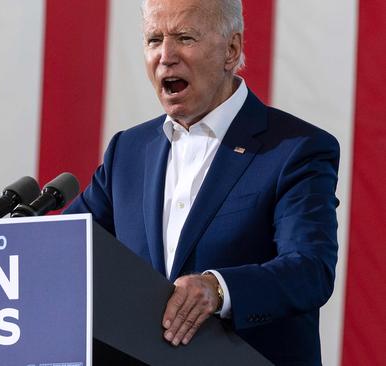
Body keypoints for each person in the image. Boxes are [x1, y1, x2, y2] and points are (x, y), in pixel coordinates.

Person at [64, 0, 340, 364]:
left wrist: (218, 289)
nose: (166, 56)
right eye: (153, 40)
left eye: (184, 37)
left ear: (231, 50)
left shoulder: (294, 149)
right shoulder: (128, 152)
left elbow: (309, 269)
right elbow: (66, 247)